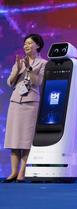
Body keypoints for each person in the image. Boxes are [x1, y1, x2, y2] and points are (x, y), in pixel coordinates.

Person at [3, 34, 47, 183]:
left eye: (29, 43)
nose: (26, 46)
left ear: (38, 45)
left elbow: (38, 82)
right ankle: (13, 172)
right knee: (14, 138)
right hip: (15, 101)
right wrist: (18, 69)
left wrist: (29, 68)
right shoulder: (19, 62)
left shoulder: (43, 63)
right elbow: (10, 82)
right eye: (25, 44)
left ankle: (22, 172)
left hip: (31, 103)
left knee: (26, 139)